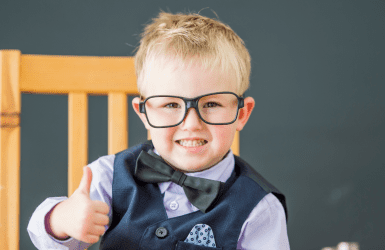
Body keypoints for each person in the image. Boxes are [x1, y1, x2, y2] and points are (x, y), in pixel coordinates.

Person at [28, 11, 290, 249]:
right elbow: (51, 241)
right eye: (171, 104)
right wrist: (61, 220)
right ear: (144, 113)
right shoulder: (111, 177)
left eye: (211, 103)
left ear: (241, 114)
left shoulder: (260, 209)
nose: (191, 123)